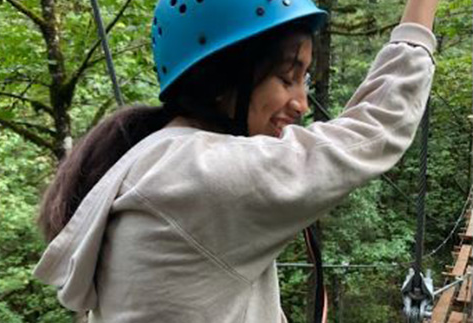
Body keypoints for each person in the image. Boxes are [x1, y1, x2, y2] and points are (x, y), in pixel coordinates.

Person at [34, 0, 439, 322]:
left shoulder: (153, 159)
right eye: (286, 77)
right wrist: (420, 18)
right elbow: (374, 129)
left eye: (305, 80)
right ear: (223, 79)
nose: (301, 103)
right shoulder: (196, 174)